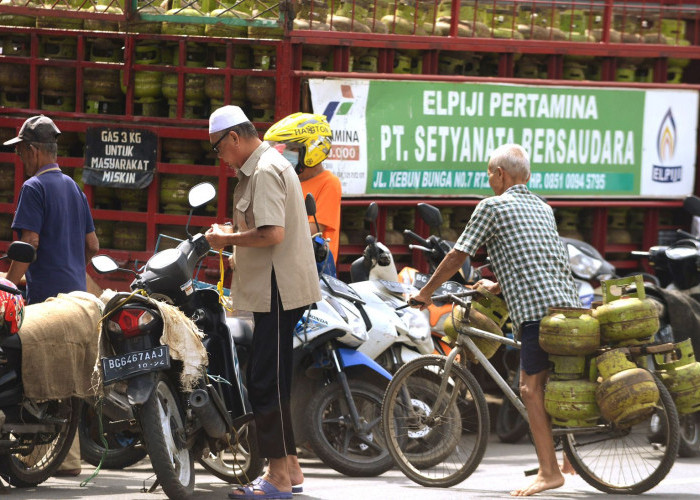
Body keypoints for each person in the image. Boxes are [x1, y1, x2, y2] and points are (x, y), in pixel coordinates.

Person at [409, 144, 581, 497]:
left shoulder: (492, 206)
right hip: (569, 308)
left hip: (535, 313)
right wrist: (498, 283)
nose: (489, 179)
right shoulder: (543, 207)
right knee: (560, 381)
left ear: (500, 174)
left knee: (530, 389)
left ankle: (550, 472)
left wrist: (425, 293)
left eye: (490, 173)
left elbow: (458, 254)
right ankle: (570, 461)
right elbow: (538, 259)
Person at [203, 106, 321, 499]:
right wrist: (234, 237)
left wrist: (225, 240)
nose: (219, 155)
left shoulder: (266, 169)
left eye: (218, 147)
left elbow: (272, 234)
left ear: (234, 138)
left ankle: (277, 479)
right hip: (278, 288)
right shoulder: (264, 165)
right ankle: (291, 468)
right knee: (275, 379)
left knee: (263, 382)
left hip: (279, 291)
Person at [3, 114, 99, 477]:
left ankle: (33, 457)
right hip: (76, 297)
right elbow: (93, 244)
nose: (20, 160)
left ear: (31, 150)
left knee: (37, 376)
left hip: (45, 299)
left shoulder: (33, 188)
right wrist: (71, 265)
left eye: (20, 153)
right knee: (68, 377)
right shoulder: (74, 188)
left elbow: (29, 243)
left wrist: (10, 284)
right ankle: (68, 460)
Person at [263, 113, 341, 268]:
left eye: (291, 149)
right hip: (281, 264)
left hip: (312, 269)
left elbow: (310, 230)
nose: (284, 154)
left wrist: (259, 243)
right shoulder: (287, 180)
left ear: (313, 150)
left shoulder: (329, 183)